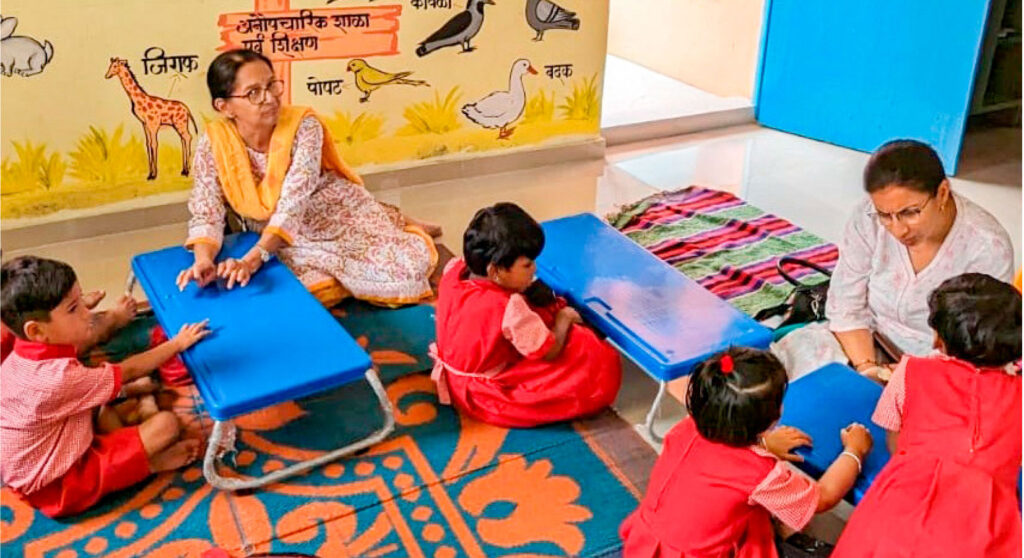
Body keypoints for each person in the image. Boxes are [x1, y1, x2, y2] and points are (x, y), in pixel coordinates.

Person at [178, 49, 439, 307]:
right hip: (275, 228)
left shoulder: (303, 125)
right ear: (224, 107)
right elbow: (206, 210)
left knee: (399, 270)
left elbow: (294, 202)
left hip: (325, 206)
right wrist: (203, 260)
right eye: (253, 93)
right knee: (290, 290)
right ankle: (390, 220)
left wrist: (253, 259)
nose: (270, 98)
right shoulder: (214, 143)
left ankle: (396, 221)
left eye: (271, 85)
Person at [0, 256, 209, 517]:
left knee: (107, 407)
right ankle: (150, 465)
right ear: (36, 331)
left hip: (47, 449)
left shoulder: (21, 353)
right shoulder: (57, 379)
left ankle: (130, 430)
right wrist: (178, 343)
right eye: (73, 308)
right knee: (167, 425)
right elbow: (129, 370)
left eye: (80, 301)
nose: (87, 313)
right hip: (58, 486)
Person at [832, 273, 1021, 557]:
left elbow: (895, 443)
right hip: (986, 523)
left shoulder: (910, 372)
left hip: (899, 509)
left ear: (941, 340)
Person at [620, 347, 873, 557]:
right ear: (774, 416)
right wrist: (854, 451)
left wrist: (765, 445)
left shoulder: (686, 428)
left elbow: (717, 465)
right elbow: (823, 498)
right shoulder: (760, 475)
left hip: (646, 543)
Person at [825, 139, 1013, 378]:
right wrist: (868, 368)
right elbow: (846, 305)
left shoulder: (987, 247)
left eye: (910, 212)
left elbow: (976, 343)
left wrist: (912, 376)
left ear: (942, 193)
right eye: (885, 215)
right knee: (803, 361)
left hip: (944, 365)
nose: (898, 230)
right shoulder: (867, 218)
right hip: (870, 340)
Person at [430, 203, 622, 427]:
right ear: (495, 271)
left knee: (540, 307)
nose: (534, 269)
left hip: (456, 375)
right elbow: (548, 351)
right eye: (527, 265)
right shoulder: (508, 307)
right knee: (589, 350)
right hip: (485, 396)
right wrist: (564, 318)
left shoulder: (453, 270)